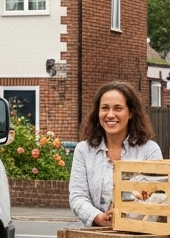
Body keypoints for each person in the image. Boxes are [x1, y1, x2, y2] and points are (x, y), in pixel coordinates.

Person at [68, 81, 163, 227]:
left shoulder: (149, 150)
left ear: (131, 112)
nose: (110, 115)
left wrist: (125, 214)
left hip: (139, 232)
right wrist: (98, 217)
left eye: (118, 108)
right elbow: (78, 196)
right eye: (105, 108)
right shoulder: (83, 150)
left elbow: (157, 195)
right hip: (95, 232)